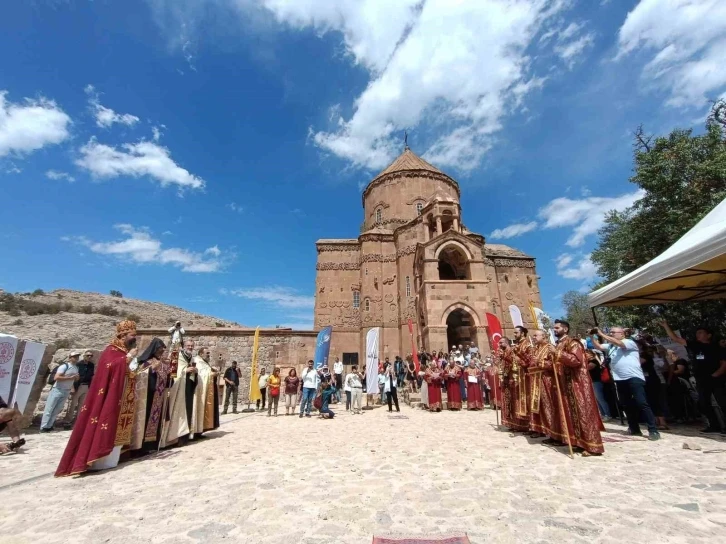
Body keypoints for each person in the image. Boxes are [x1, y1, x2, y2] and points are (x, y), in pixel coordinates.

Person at [56, 320, 139, 477]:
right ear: (123, 335)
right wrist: (127, 358)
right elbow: (109, 368)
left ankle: (110, 458)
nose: (135, 338)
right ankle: (95, 457)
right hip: (107, 395)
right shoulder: (111, 350)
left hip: (120, 396)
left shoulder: (122, 351)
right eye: (132, 335)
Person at [591, 327, 660, 440]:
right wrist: (592, 336)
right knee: (626, 404)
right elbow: (598, 347)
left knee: (641, 402)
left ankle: (653, 429)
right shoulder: (612, 346)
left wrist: (601, 334)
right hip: (619, 379)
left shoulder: (629, 342)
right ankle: (634, 428)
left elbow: (618, 343)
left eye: (613, 332)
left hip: (633, 377)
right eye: (610, 332)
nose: (611, 334)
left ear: (622, 334)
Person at [659, 321, 726, 434]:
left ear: (708, 335)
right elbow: (676, 338)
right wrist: (666, 326)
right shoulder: (695, 345)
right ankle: (714, 425)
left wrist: (717, 373)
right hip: (701, 379)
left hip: (716, 378)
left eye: (701, 333)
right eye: (697, 333)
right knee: (704, 403)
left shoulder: (716, 347)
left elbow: (724, 363)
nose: (698, 334)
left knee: (722, 402)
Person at [553, 320, 605, 455]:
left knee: (584, 412)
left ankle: (593, 446)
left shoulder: (573, 342)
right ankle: (580, 442)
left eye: (557, 328)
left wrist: (557, 354)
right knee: (572, 413)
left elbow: (576, 361)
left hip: (577, 382)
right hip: (566, 383)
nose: (554, 330)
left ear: (565, 329)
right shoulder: (559, 344)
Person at [130, 338, 169, 452]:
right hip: (146, 396)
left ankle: (152, 444)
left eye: (163, 349)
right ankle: (140, 446)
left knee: (155, 419)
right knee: (145, 419)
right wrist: (152, 369)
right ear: (154, 349)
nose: (162, 351)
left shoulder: (162, 362)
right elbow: (138, 374)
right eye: (160, 349)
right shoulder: (145, 361)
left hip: (158, 395)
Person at [530, 329, 562, 442]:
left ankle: (555, 433)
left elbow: (555, 363)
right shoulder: (535, 349)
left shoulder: (549, 347)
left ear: (544, 336)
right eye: (533, 336)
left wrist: (540, 363)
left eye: (536, 335)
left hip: (547, 380)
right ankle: (543, 429)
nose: (533, 337)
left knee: (549, 406)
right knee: (540, 406)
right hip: (537, 380)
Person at [41, 351, 80, 432]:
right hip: (57, 389)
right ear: (70, 358)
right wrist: (70, 378)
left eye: (77, 356)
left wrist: (76, 378)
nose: (76, 358)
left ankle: (50, 425)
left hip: (66, 390)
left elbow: (74, 379)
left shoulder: (76, 368)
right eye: (74, 356)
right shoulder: (64, 366)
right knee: (50, 408)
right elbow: (56, 377)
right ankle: (43, 427)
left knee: (57, 409)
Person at [498, 338, 528, 432]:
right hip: (506, 377)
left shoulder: (512, 351)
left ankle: (518, 424)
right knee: (508, 400)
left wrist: (504, 356)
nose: (499, 344)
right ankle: (511, 423)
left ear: (506, 343)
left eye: (501, 342)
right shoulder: (503, 351)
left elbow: (514, 361)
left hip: (513, 377)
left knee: (515, 400)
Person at [190, 347, 220, 439]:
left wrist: (213, 371)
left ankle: (200, 430)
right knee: (197, 409)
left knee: (202, 410)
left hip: (204, 390)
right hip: (198, 390)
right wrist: (212, 374)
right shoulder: (197, 361)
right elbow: (200, 375)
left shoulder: (204, 362)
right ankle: (194, 431)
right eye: (207, 353)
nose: (208, 355)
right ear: (201, 353)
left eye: (209, 353)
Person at [64, 350, 95, 429]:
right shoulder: (78, 364)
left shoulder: (91, 365)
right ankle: (68, 421)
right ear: (84, 356)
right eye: (88, 355)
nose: (89, 357)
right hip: (78, 386)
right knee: (73, 404)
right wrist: (73, 387)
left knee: (82, 405)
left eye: (91, 356)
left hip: (86, 386)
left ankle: (77, 422)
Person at [586, 349, 611, 420]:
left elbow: (588, 367)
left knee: (600, 398)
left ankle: (607, 414)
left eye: (587, 353)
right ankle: (603, 414)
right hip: (592, 382)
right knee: (597, 399)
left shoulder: (594, 361)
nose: (586, 355)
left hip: (596, 381)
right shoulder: (587, 361)